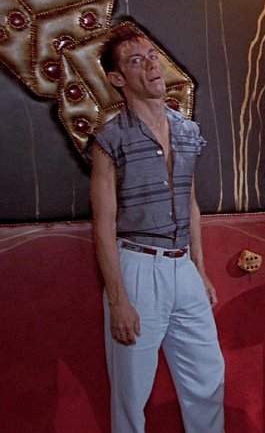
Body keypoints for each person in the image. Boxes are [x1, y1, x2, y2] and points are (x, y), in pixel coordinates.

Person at [88, 28, 224, 432]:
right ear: (117, 78)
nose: (151, 65)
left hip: (183, 268)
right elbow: (103, 226)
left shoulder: (187, 132)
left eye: (152, 56)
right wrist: (118, 300)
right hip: (137, 268)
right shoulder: (110, 139)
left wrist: (200, 270)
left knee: (208, 380)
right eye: (136, 60)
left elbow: (191, 205)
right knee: (131, 394)